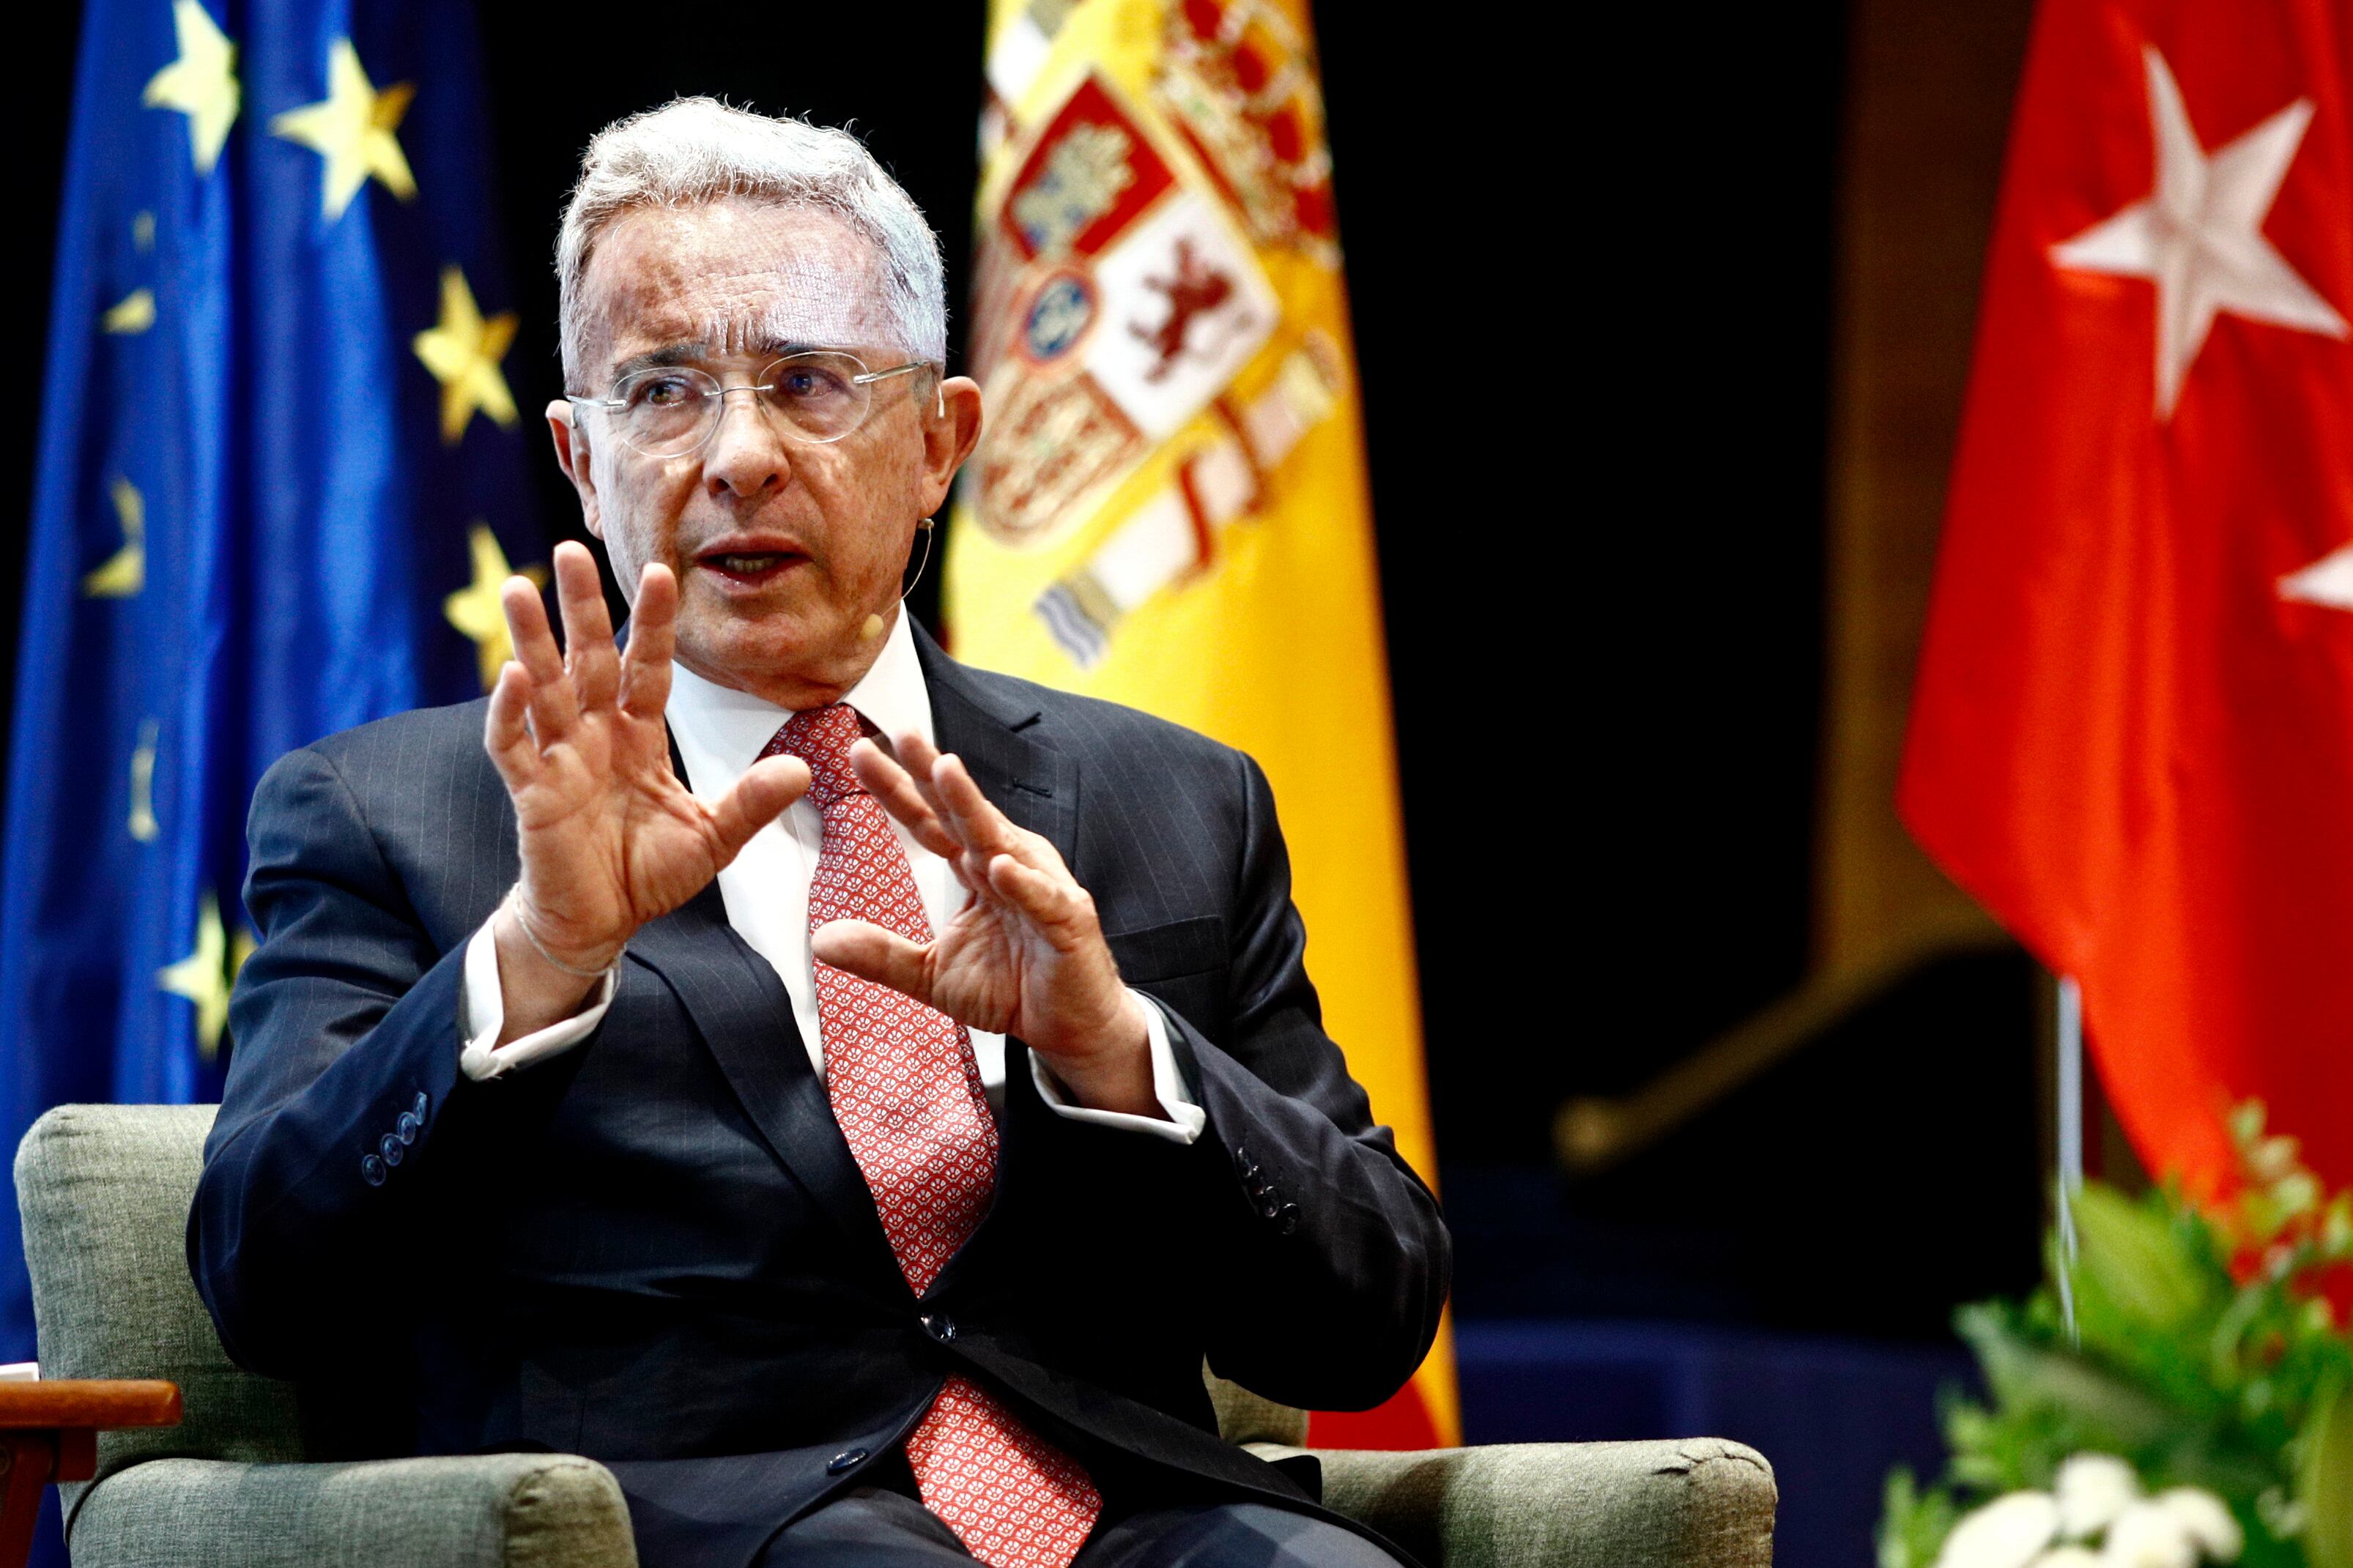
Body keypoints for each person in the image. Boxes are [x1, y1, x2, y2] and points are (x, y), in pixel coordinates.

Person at [188, 98, 1448, 1568]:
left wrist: (1120, 1053)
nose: (739, 456)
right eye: (662, 390)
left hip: (1140, 1517)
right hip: (709, 1529)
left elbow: (1366, 1320)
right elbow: (265, 1287)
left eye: (807, 381)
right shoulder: (394, 814)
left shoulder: (1171, 798)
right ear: (581, 461)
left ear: (939, 442)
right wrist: (535, 957)